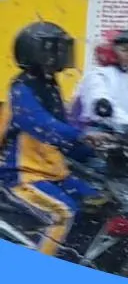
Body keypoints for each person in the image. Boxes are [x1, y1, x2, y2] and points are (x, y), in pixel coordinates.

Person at [0, 22, 104, 257]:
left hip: (54, 173)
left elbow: (62, 132)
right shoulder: (22, 87)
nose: (62, 54)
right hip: (22, 175)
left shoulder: (49, 85)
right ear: (37, 52)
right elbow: (42, 126)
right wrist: (83, 136)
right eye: (55, 49)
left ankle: (75, 257)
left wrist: (95, 154)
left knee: (100, 201)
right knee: (62, 214)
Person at [70, 28, 128, 133]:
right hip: (93, 133)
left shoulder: (124, 76)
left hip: (118, 132)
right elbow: (103, 106)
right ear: (109, 51)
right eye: (125, 50)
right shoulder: (97, 75)